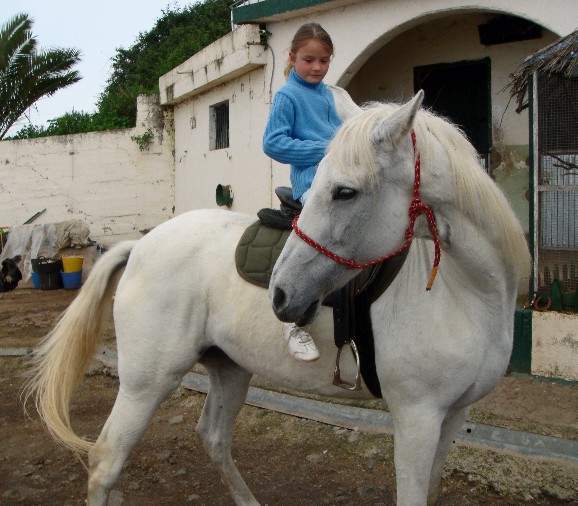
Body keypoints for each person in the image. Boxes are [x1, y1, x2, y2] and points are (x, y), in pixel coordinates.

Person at [263, 23, 344, 362]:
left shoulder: (329, 95)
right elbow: (273, 142)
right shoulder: (287, 95)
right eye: (309, 59)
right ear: (293, 57)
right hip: (311, 182)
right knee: (322, 234)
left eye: (324, 61)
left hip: (338, 174)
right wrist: (326, 149)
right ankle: (295, 321)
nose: (316, 68)